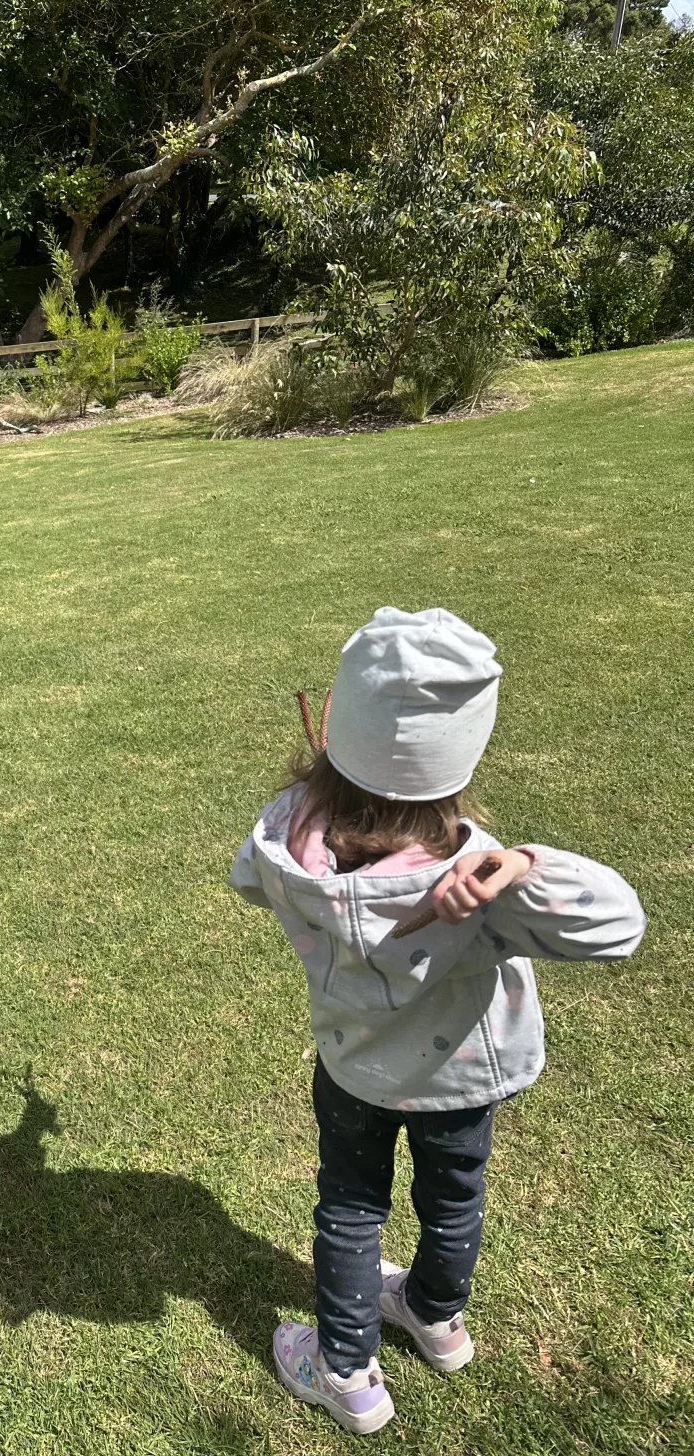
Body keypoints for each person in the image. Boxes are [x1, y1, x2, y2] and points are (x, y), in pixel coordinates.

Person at [228, 607, 646, 1435]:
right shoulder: (481, 883)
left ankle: (345, 1372)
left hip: (354, 1066)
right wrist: (523, 865)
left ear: (340, 735)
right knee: (453, 1200)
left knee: (351, 1208)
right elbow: (620, 925)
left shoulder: (283, 836)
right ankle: (435, 1317)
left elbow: (249, 880)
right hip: (461, 1078)